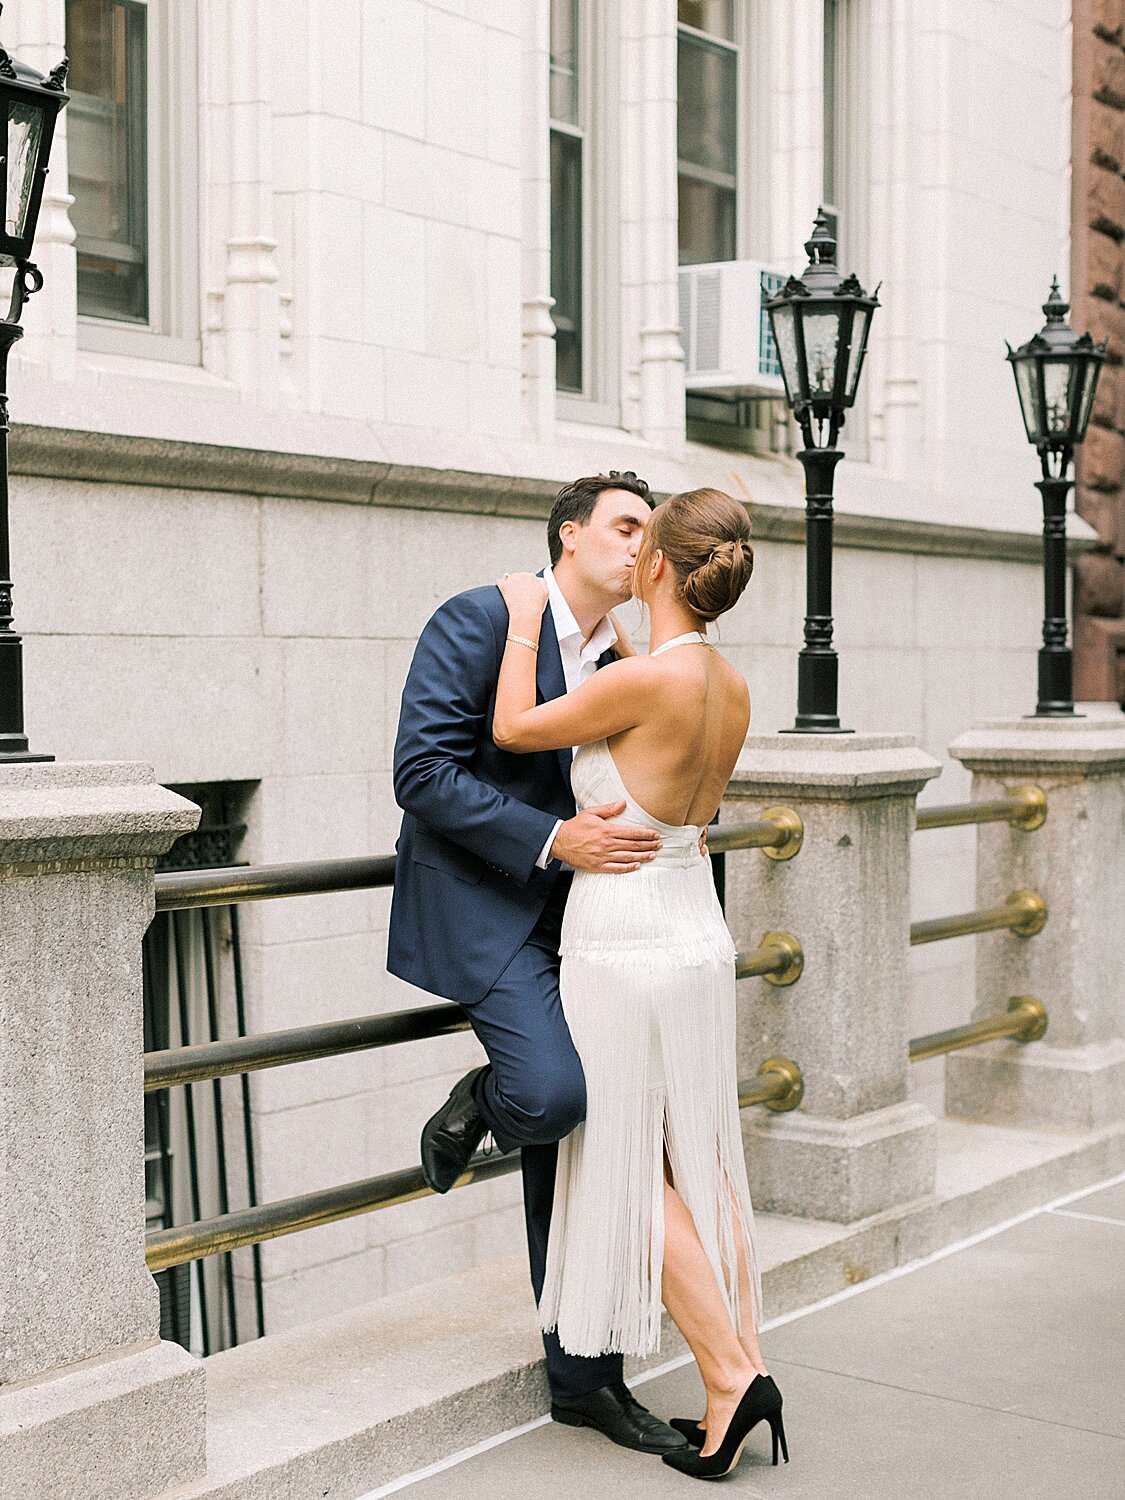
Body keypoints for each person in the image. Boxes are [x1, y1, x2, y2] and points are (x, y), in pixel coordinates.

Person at [490, 487, 788, 1480]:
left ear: (657, 564)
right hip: (695, 926)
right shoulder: (728, 683)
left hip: (624, 939)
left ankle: (727, 1376)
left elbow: (515, 726)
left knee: (625, 1161)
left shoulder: (642, 683)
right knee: (694, 1154)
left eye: (639, 544)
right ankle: (744, 1363)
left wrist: (529, 617)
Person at [388, 473, 689, 1455]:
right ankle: (488, 1092)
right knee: (553, 1098)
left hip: (592, 920)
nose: (642, 544)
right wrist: (551, 839)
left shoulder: (624, 655)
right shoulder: (480, 618)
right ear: (571, 535)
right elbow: (422, 773)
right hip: (488, 906)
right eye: (626, 524)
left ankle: (585, 1377)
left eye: (654, 532)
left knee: (603, 1141)